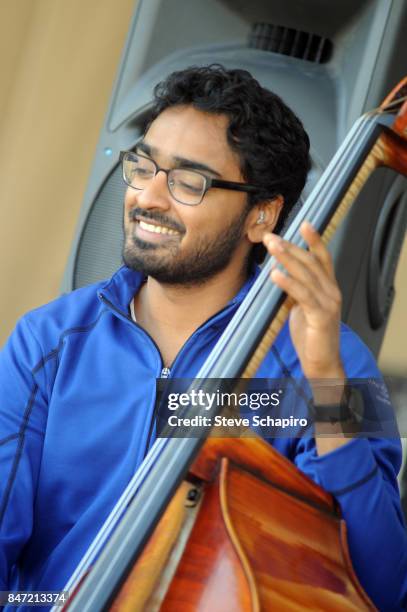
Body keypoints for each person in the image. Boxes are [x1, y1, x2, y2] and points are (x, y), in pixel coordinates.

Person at [0, 65, 406, 610]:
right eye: (143, 166)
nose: (149, 197)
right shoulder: (47, 342)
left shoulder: (336, 360)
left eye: (189, 181)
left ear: (261, 215)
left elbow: (385, 586)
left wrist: (327, 383)